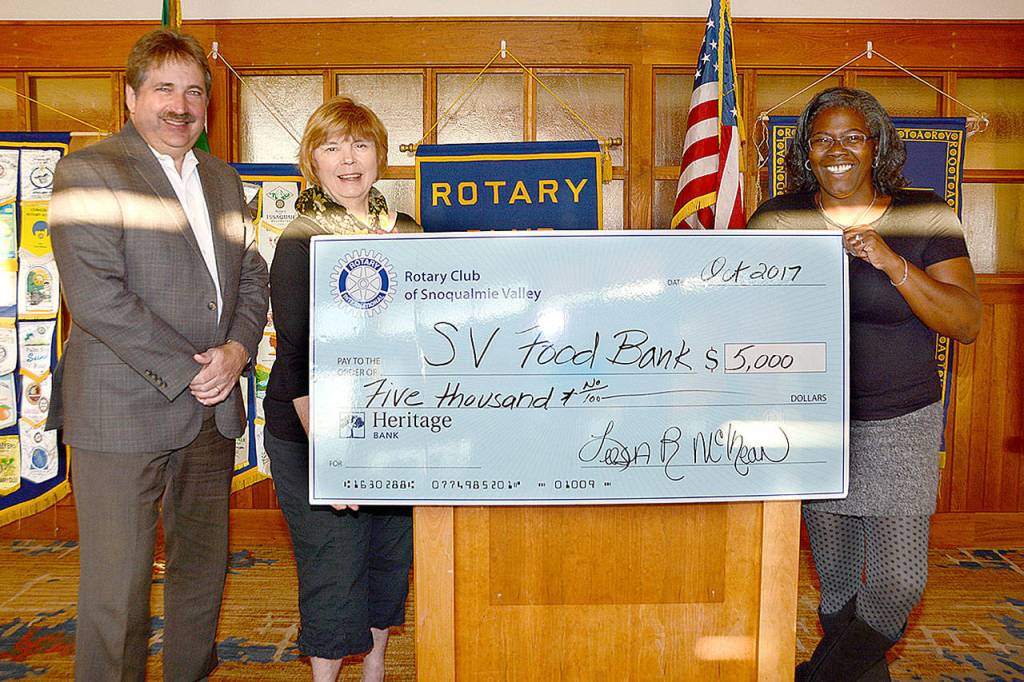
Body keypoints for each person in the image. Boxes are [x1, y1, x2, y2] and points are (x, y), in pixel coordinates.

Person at [46, 28, 269, 681]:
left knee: (201, 575)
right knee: (117, 588)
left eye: (194, 91)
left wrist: (236, 350)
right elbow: (96, 297)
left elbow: (248, 277)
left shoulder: (225, 181)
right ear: (131, 96)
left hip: (210, 413)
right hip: (122, 414)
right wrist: (195, 369)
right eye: (165, 89)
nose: (181, 105)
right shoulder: (88, 170)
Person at [748, 87, 982, 680]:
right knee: (837, 582)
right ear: (805, 150)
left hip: (902, 420)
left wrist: (891, 262)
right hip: (814, 423)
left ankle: (818, 676)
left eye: (853, 136)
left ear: (876, 144)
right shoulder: (779, 218)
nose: (838, 150)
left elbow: (966, 321)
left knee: (898, 581)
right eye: (823, 138)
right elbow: (742, 314)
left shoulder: (922, 212)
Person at [263, 96, 420, 682]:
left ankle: (375, 670)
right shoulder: (301, 238)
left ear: (379, 154)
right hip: (312, 433)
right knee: (335, 563)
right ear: (312, 161)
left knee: (387, 557)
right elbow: (298, 353)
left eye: (360, 144)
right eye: (331, 147)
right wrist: (335, 457)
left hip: (389, 426)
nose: (348, 159)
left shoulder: (406, 232)